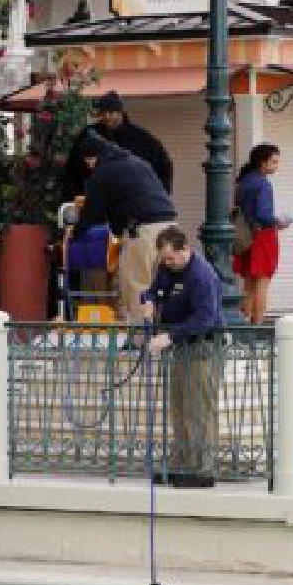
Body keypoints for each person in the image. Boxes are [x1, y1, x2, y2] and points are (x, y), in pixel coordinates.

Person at [143, 223, 224, 487]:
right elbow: (154, 289)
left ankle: (203, 468)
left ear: (185, 249)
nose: (167, 263)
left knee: (198, 408)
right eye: (164, 258)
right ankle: (181, 462)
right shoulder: (167, 268)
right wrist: (148, 300)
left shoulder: (202, 276)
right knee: (178, 407)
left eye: (171, 258)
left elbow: (205, 318)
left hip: (202, 348)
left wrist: (170, 336)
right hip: (180, 348)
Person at [76, 137, 177, 323]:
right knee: (163, 285)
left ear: (91, 158)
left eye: (87, 162)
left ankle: (139, 336)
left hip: (143, 231)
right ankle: (164, 332)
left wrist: (74, 234)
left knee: (136, 287)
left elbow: (92, 214)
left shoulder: (103, 172)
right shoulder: (138, 163)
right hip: (171, 228)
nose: (88, 167)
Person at [232, 143, 282, 323]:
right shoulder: (263, 184)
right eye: (274, 162)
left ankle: (245, 320)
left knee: (249, 282)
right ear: (263, 162)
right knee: (262, 281)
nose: (277, 166)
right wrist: (279, 221)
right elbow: (264, 215)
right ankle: (258, 324)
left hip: (246, 235)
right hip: (263, 236)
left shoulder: (243, 182)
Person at [91, 91, 175, 196]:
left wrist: (161, 195)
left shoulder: (141, 138)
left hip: (136, 196)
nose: (107, 117)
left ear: (121, 113)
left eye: (111, 112)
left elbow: (164, 165)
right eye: (103, 113)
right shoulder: (94, 136)